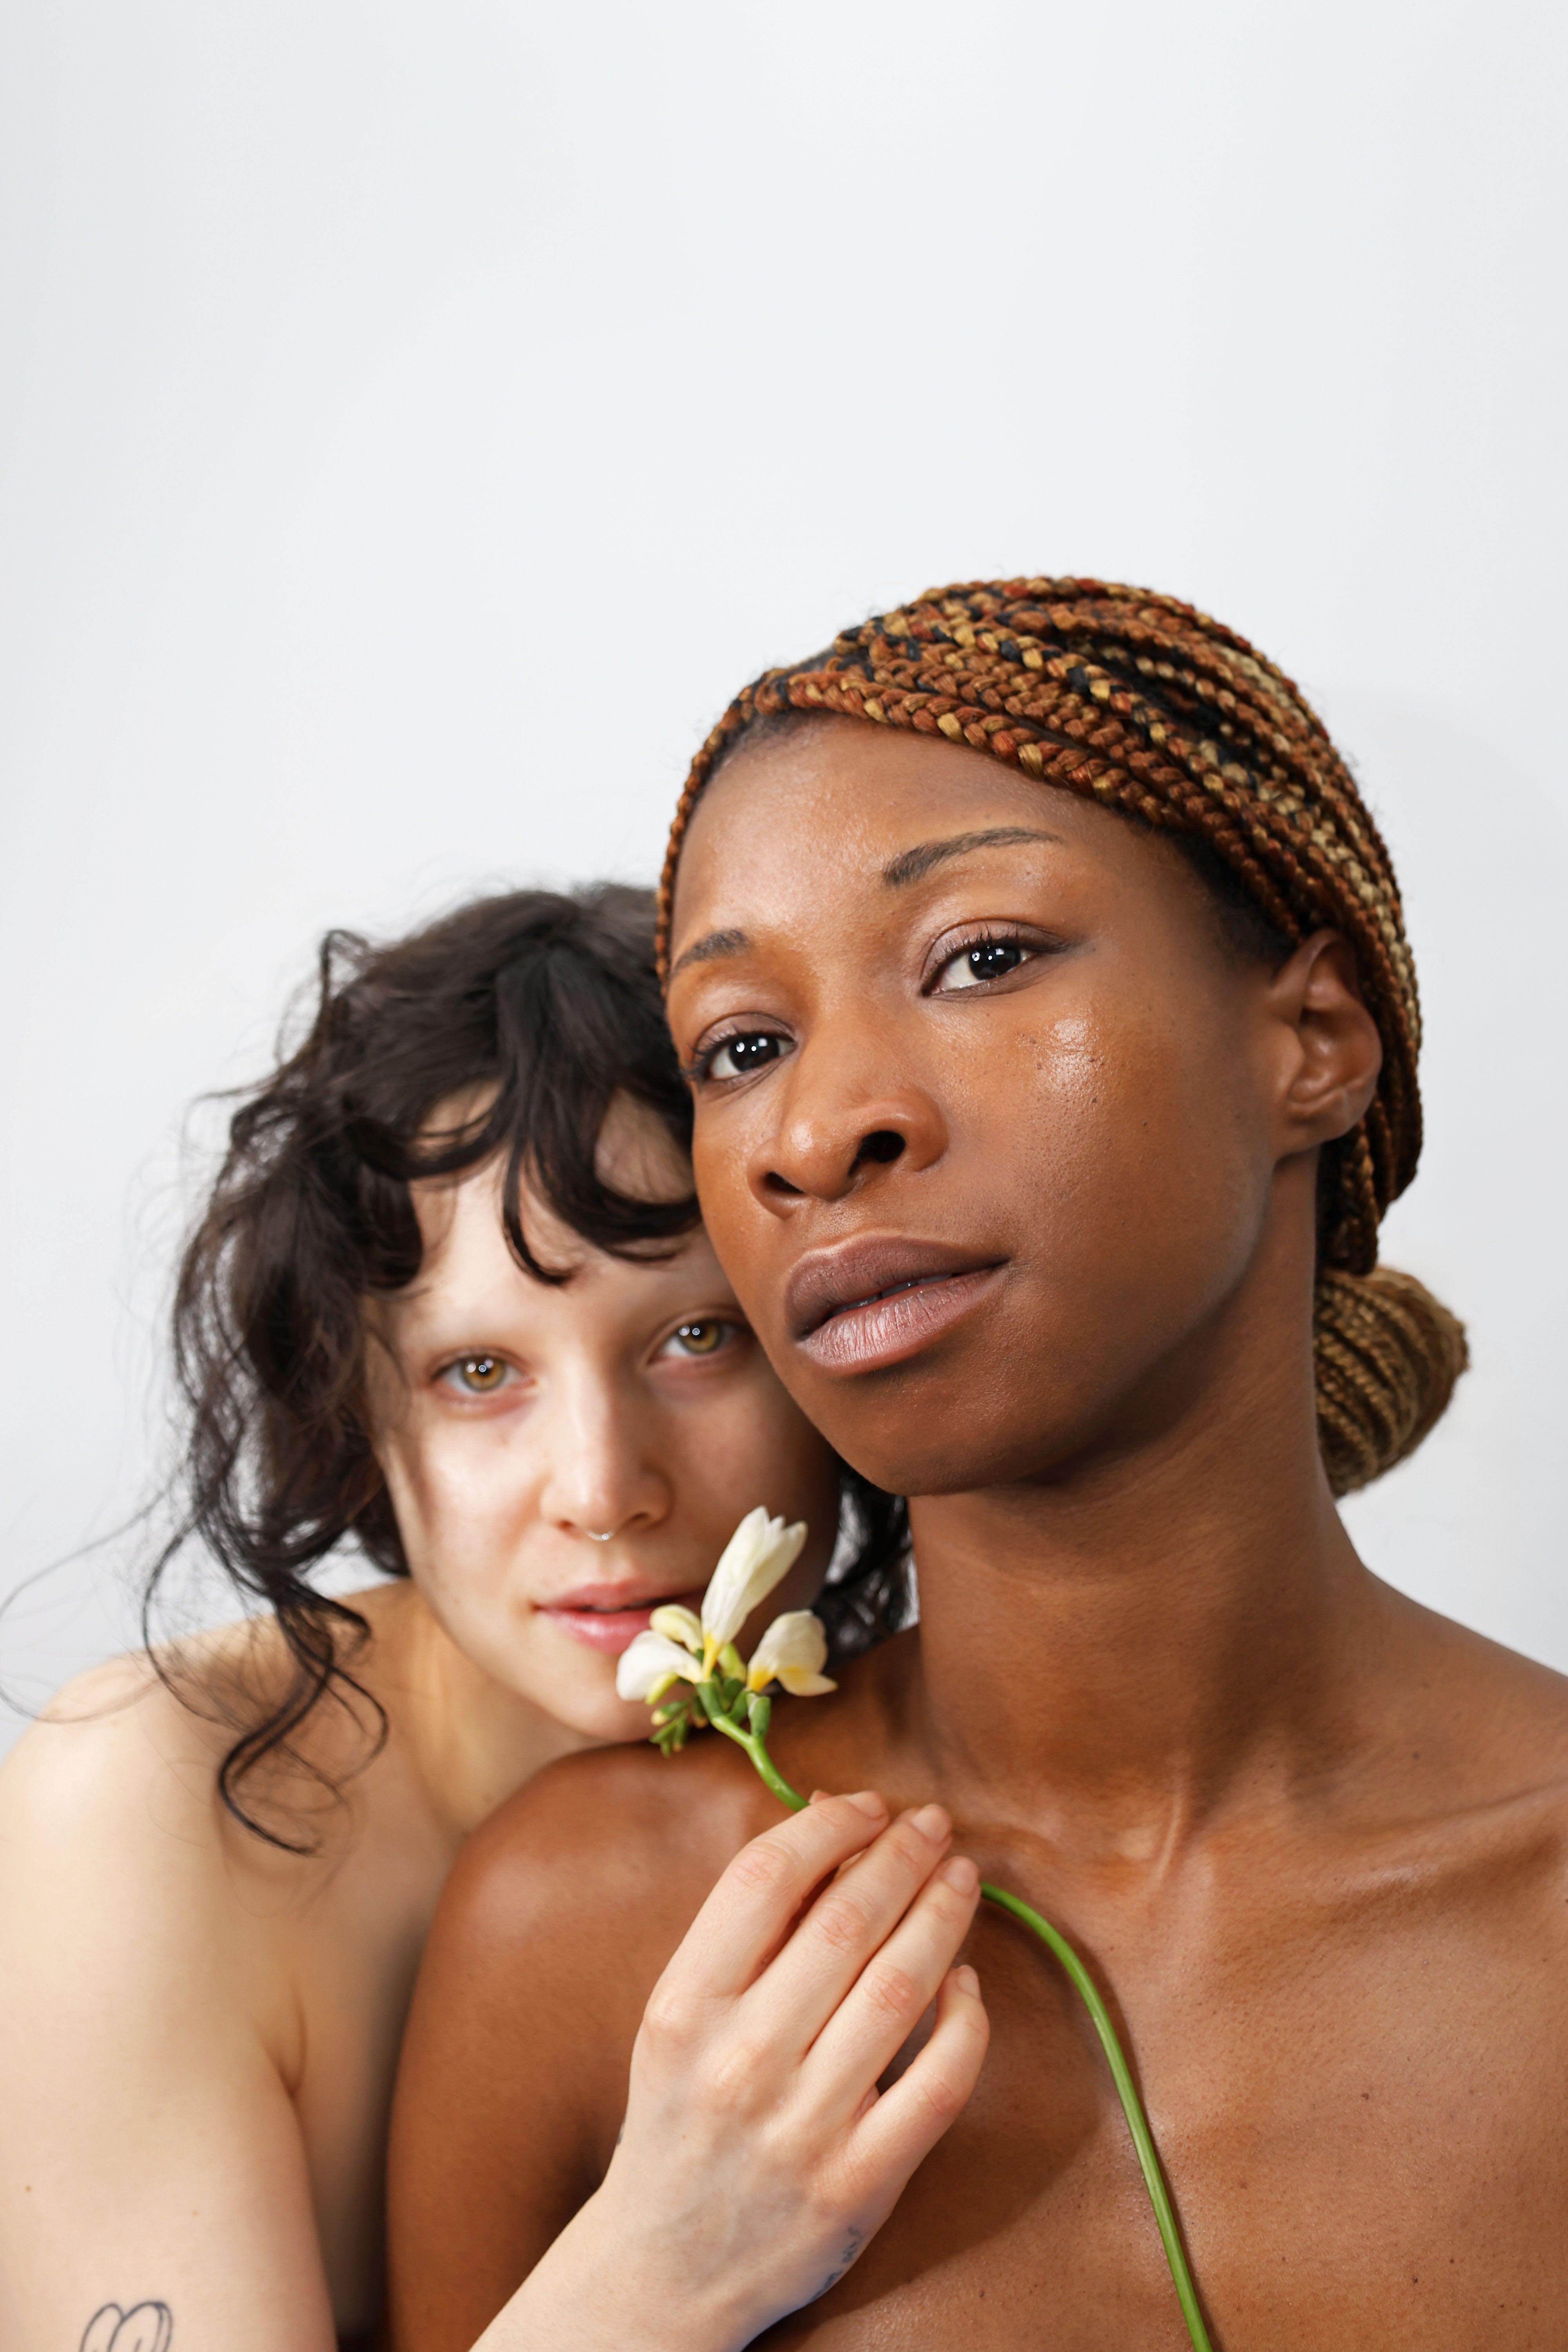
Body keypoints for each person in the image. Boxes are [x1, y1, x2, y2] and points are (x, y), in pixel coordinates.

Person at [385, 578, 1568, 2352]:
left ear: (1310, 1044)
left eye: (983, 958)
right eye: (742, 1048)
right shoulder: (594, 1932)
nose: (811, 1128)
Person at [0, 886, 904, 2352]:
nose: (603, 1489)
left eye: (695, 1338)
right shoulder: (150, 1805)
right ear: (355, 1409)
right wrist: (656, 2279)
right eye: (480, 1374)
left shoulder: (905, 1810)